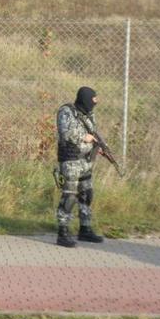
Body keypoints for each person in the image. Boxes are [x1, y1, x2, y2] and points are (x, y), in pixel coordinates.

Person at [55, 86, 105, 248]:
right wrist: (85, 137)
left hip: (86, 162)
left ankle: (85, 229)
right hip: (71, 161)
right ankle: (63, 232)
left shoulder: (89, 114)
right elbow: (65, 132)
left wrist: (99, 146)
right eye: (92, 101)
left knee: (86, 194)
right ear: (84, 99)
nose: (93, 105)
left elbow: (93, 133)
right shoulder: (66, 111)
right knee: (69, 197)